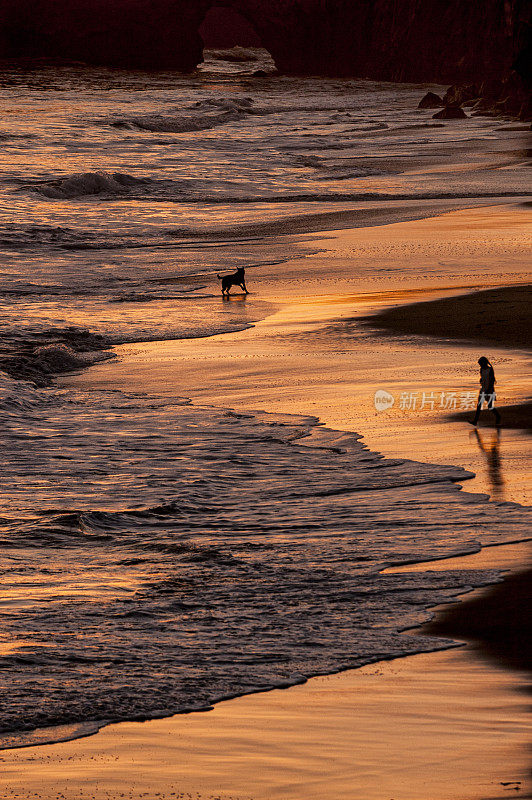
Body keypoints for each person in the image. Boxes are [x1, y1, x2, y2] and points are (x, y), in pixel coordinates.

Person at [469, 356, 501, 426]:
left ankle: (498, 416)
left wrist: (488, 390)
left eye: (480, 363)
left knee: (490, 406)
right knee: (479, 405)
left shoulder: (490, 370)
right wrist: (481, 380)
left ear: (484, 363)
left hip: (490, 390)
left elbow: (492, 380)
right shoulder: (481, 369)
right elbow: (482, 377)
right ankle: (475, 421)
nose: (480, 365)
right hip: (483, 389)